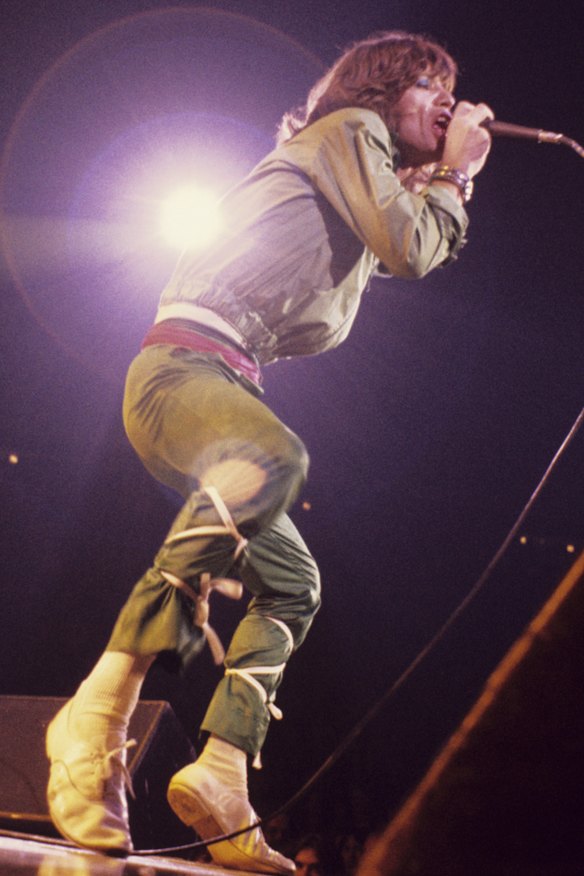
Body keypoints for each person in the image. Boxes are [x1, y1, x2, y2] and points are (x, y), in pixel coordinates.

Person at [45, 29, 492, 874]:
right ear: (383, 87)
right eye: (429, 82)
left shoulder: (356, 187)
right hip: (182, 370)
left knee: (294, 582)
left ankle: (221, 773)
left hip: (220, 384)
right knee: (275, 455)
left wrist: (436, 178)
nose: (447, 100)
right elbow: (415, 244)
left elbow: (404, 242)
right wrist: (457, 173)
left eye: (451, 87)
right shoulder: (353, 130)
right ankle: (100, 707)